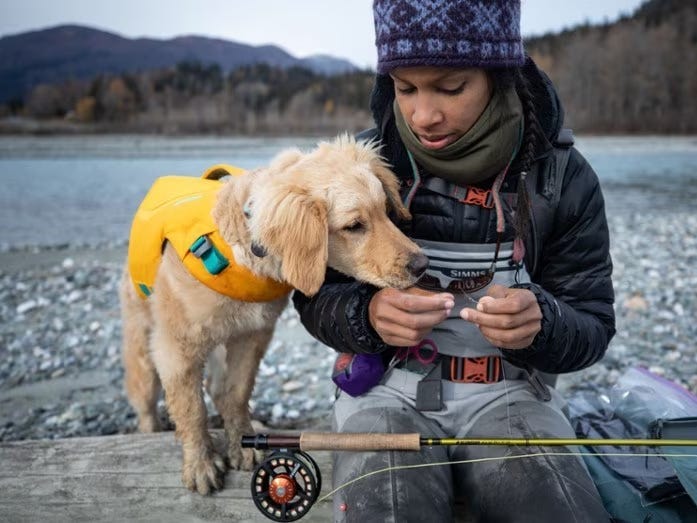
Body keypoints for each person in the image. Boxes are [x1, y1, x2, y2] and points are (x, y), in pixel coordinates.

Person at [293, 1, 615, 521]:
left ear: (497, 74)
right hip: (382, 398)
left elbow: (594, 326)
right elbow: (311, 296)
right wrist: (367, 316)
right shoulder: (359, 168)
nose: (424, 115)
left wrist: (543, 323)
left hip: (513, 399)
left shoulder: (564, 178)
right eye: (405, 88)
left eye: (450, 88)